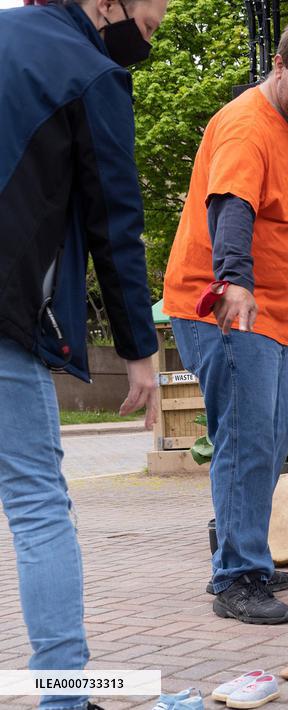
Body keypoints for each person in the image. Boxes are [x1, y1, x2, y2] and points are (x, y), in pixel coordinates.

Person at [0, 0, 168, 708]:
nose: (155, 29)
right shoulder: (88, 71)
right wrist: (139, 350)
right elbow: (115, 223)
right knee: (39, 504)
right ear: (108, 5)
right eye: (153, 15)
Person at [162, 13, 288, 625]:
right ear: (279, 66)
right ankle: (236, 576)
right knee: (244, 441)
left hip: (272, 323)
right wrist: (235, 281)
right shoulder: (248, 124)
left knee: (268, 439)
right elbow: (231, 207)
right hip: (227, 311)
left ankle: (246, 559)